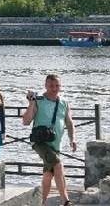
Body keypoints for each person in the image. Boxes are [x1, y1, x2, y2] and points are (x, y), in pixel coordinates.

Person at [22, 74, 76, 206]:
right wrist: (31, 103)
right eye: (51, 86)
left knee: (49, 173)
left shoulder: (64, 102)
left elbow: (69, 123)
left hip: (55, 144)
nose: (54, 88)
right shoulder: (39, 100)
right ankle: (65, 201)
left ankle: (43, 202)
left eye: (57, 85)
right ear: (45, 86)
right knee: (58, 164)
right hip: (40, 142)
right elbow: (26, 121)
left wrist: (72, 139)